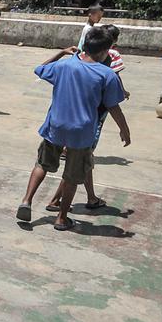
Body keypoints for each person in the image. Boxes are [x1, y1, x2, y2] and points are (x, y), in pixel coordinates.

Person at [16, 27, 131, 231]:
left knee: (42, 164)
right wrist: (124, 129)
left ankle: (26, 200)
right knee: (71, 175)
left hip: (56, 126)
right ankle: (61, 218)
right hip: (82, 132)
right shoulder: (106, 75)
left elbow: (39, 69)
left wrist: (60, 53)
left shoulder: (65, 66)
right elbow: (114, 106)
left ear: (84, 46)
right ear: (106, 52)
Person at [41, 24, 129, 211]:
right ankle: (60, 204)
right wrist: (124, 128)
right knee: (80, 164)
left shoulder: (77, 61)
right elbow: (114, 103)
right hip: (88, 122)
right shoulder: (106, 64)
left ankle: (88, 197)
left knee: (83, 161)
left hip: (71, 121)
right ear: (109, 46)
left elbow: (43, 70)